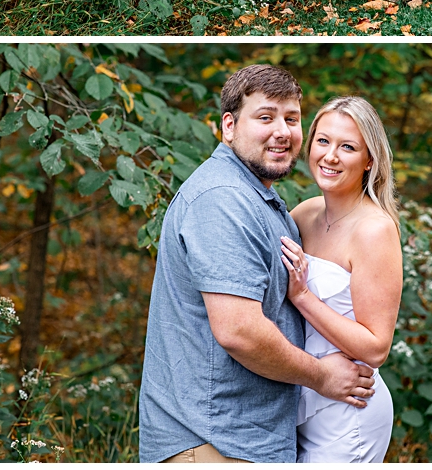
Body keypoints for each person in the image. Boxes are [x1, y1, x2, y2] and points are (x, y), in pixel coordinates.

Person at [139, 65, 375, 463]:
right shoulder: (222, 200)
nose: (282, 131)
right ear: (229, 127)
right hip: (213, 441)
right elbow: (239, 331)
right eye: (265, 117)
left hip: (246, 439)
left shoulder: (260, 200)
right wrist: (322, 377)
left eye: (292, 118)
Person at [280, 97, 403, 462]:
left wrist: (302, 296)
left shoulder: (374, 230)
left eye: (347, 147)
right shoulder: (304, 213)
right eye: (323, 141)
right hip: (304, 396)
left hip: (350, 410)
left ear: (369, 160)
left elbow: (376, 347)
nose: (331, 156)